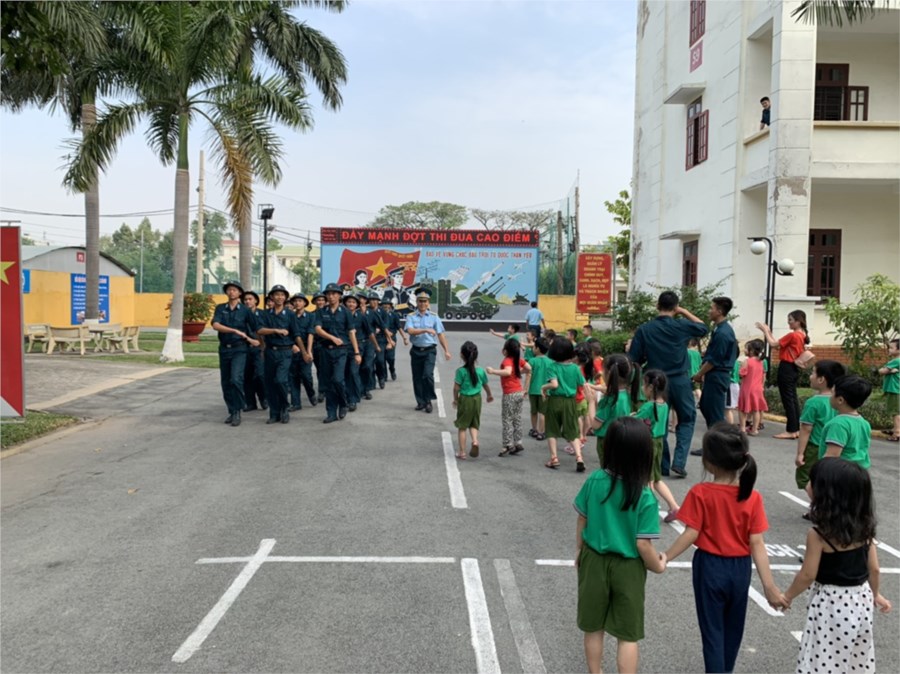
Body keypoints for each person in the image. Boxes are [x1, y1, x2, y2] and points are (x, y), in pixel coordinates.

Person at [664, 423, 786, 673]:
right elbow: (757, 543)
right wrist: (769, 586)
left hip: (709, 567)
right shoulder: (752, 496)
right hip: (740, 569)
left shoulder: (701, 492)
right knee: (733, 629)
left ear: (708, 462)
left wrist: (665, 556)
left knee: (712, 632)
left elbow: (691, 533)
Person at [574, 417, 667, 674]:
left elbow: (582, 519)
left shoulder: (595, 480)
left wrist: (579, 550)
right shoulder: (644, 495)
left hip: (594, 559)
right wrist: (658, 565)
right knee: (627, 634)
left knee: (593, 627)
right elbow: (643, 544)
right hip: (629, 568)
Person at [782, 458, 892, 673]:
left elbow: (807, 575)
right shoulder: (865, 528)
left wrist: (787, 596)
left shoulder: (819, 534)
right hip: (860, 599)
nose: (808, 486)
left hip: (830, 603)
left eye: (812, 482)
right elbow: (874, 569)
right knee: (855, 655)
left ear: (827, 495)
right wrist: (875, 594)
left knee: (824, 655)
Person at [628, 291, 708, 478]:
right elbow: (703, 328)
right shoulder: (681, 326)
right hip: (680, 380)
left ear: (657, 306)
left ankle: (662, 464)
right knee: (687, 419)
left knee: (659, 421)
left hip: (656, 380)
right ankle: (679, 462)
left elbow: (634, 358)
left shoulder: (645, 329)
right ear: (675, 307)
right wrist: (684, 311)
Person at [634, 369, 680, 523]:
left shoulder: (648, 406)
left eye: (644, 385)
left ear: (650, 387)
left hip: (648, 443)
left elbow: (636, 421)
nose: (642, 388)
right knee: (656, 478)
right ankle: (674, 506)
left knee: (647, 479)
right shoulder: (664, 405)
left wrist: (630, 416)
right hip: (659, 442)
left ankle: (650, 508)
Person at [211, 280, 259, 427]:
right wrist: (234, 330)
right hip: (225, 348)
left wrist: (255, 342)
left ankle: (237, 410)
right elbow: (215, 325)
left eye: (234, 290)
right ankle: (231, 411)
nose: (231, 292)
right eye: (229, 289)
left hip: (240, 349)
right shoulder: (221, 308)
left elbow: (255, 328)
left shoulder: (245, 310)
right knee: (226, 382)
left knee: (236, 379)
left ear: (239, 293)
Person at [756, 310, 810, 440]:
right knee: (792, 399)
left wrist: (765, 331)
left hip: (786, 368)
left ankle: (791, 430)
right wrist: (769, 332)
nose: (788, 322)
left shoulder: (793, 335)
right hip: (793, 368)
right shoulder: (802, 335)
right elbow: (778, 345)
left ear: (798, 321)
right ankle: (795, 429)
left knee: (788, 400)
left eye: (790, 320)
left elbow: (773, 344)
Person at [541, 335, 591, 472]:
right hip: (570, 402)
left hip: (555, 401)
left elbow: (554, 384)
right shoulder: (575, 368)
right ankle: (579, 457)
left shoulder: (552, 366)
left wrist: (543, 388)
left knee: (551, 430)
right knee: (572, 430)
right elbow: (583, 384)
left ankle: (554, 459)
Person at [796, 360, 845, 499]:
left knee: (806, 477)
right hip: (835, 446)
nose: (810, 376)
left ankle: (819, 504)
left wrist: (800, 453)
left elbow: (806, 429)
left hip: (815, 447)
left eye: (813, 373)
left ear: (821, 379)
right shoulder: (841, 401)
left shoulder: (813, 403)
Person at [314, 282, 361, 424]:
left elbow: (351, 332)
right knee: (328, 383)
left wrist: (357, 352)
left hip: (341, 351)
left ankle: (343, 403)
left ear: (339, 295)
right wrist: (332, 338)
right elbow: (317, 329)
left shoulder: (345, 312)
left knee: (338, 379)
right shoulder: (321, 311)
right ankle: (331, 413)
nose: (331, 296)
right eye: (328, 294)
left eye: (334, 293)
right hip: (325, 350)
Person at [404, 288, 452, 413]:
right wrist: (425, 330)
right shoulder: (411, 317)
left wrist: (446, 350)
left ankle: (428, 400)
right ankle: (420, 402)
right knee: (417, 377)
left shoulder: (434, 317)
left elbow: (440, 334)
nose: (422, 304)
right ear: (416, 302)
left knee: (427, 375)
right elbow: (410, 331)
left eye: (425, 301)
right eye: (420, 301)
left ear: (428, 303)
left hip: (429, 350)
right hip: (416, 351)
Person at [693, 297, 737, 432]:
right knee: (706, 406)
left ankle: (720, 439)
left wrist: (699, 374)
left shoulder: (723, 332)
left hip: (717, 375)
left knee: (714, 412)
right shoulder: (720, 329)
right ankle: (715, 437)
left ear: (719, 311)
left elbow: (714, 360)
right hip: (714, 374)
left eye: (711, 308)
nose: (709, 311)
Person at [255, 285, 297, 425]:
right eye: (277, 294)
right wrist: (275, 330)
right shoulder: (265, 314)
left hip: (285, 351)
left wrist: (301, 349)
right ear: (272, 297)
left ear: (285, 297)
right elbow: (259, 330)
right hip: (270, 351)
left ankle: (284, 407)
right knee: (270, 383)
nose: (279, 297)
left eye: (282, 295)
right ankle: (274, 413)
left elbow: (295, 333)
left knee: (280, 380)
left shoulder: (290, 314)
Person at [592, 354, 640, 463]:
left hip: (607, 439)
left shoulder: (610, 400)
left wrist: (591, 402)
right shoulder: (626, 394)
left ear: (609, 373)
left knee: (607, 469)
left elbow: (595, 425)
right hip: (622, 438)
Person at [487, 338, 530, 456]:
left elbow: (507, 372)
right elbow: (529, 368)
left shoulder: (507, 361)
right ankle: (518, 442)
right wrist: (518, 372)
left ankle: (507, 444)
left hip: (509, 394)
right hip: (519, 392)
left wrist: (493, 371)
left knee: (507, 419)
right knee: (517, 418)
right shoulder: (518, 360)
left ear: (506, 350)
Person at [821, 375, 873, 470]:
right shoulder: (865, 423)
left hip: (840, 474)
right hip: (860, 473)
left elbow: (831, 457)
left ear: (840, 400)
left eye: (832, 393)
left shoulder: (838, 425)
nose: (830, 396)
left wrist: (817, 475)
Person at [453, 341, 493, 459]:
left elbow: (456, 388)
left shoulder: (461, 371)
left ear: (462, 355)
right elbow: (485, 385)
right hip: (477, 399)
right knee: (474, 423)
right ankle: (475, 441)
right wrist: (489, 395)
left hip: (465, 399)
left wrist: (455, 399)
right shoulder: (480, 371)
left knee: (462, 426)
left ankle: (462, 452)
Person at [288, 294, 316, 411]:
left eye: (300, 301)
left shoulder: (311, 316)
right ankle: (296, 403)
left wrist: (309, 351)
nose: (297, 303)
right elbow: (288, 333)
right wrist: (292, 345)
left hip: (306, 346)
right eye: (295, 301)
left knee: (306, 375)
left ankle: (311, 393)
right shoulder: (290, 316)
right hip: (293, 348)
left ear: (304, 303)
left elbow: (311, 333)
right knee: (293, 376)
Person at [241, 290, 267, 413]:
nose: (247, 301)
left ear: (256, 300)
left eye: (250, 299)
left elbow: (266, 331)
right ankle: (250, 402)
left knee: (260, 375)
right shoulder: (240, 314)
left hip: (260, 348)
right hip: (244, 348)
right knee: (247, 376)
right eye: (245, 299)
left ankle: (263, 398)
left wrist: (264, 346)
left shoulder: (263, 314)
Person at [737, 339, 768, 436]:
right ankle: (755, 429)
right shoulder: (761, 362)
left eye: (747, 348)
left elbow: (742, 374)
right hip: (758, 389)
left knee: (742, 409)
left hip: (747, 388)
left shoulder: (747, 361)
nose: (745, 350)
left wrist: (740, 369)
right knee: (756, 409)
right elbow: (762, 376)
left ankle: (742, 428)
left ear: (751, 351)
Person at [341, 293, 364, 412]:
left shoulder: (361, 316)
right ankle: (345, 397)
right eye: (349, 302)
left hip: (357, 348)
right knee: (343, 374)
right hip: (342, 347)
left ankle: (353, 399)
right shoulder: (340, 315)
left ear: (357, 305)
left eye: (353, 302)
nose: (351, 304)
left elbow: (369, 332)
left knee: (353, 372)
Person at [525, 337, 550, 441]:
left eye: (534, 347)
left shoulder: (532, 361)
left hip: (533, 390)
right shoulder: (550, 362)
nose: (533, 348)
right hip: (546, 391)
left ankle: (534, 429)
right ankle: (541, 432)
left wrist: (525, 389)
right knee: (543, 412)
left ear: (538, 348)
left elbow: (527, 374)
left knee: (533, 411)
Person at [878, 338, 900, 441]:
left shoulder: (896, 361)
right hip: (898, 389)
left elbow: (882, 371)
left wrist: (887, 371)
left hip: (895, 389)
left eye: (891, 348)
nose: (889, 350)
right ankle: (895, 428)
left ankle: (897, 433)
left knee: (895, 412)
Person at [381, 297, 406, 381]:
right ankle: (384, 376)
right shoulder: (378, 315)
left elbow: (399, 327)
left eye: (387, 304)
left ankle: (392, 370)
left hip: (392, 339)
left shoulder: (394, 315)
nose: (385, 306)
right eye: (384, 304)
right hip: (381, 338)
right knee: (381, 359)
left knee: (390, 357)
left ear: (390, 305)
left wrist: (404, 337)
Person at [310, 291, 327, 403]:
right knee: (320, 368)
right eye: (318, 300)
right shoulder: (311, 315)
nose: (320, 302)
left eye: (322, 300)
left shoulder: (329, 313)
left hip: (328, 344)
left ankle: (327, 389)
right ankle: (322, 390)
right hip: (316, 344)